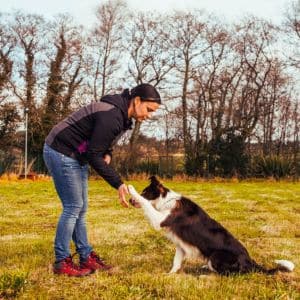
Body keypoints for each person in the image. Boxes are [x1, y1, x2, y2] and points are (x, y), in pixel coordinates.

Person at [43, 83, 161, 277]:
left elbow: (100, 140)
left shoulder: (121, 116)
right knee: (73, 206)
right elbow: (93, 155)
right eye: (148, 110)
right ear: (137, 100)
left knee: (80, 208)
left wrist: (107, 152)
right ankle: (61, 261)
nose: (148, 115)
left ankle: (85, 256)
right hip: (61, 150)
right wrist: (118, 184)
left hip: (76, 154)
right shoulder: (112, 115)